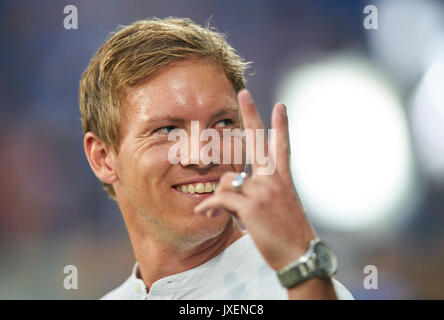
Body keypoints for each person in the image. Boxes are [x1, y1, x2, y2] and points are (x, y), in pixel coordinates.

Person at [79, 17, 354, 300]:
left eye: (222, 124)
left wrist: (303, 270)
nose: (202, 155)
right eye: (168, 130)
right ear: (103, 158)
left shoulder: (298, 291)